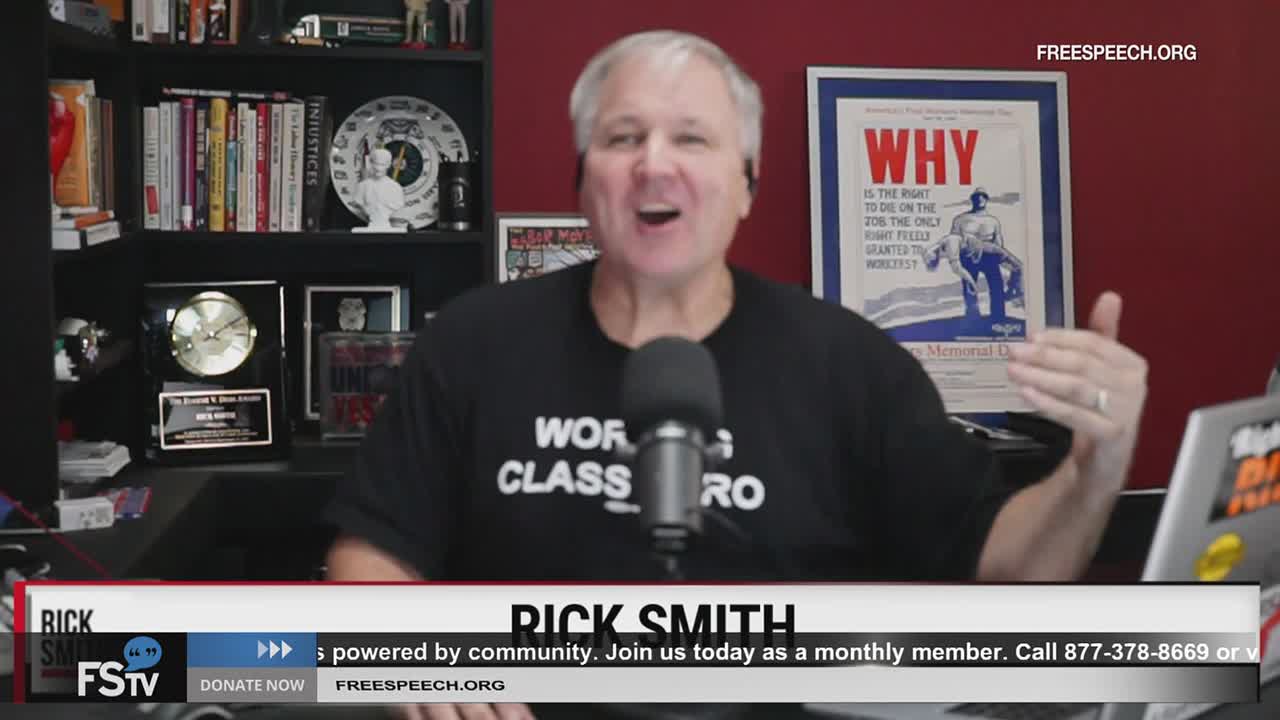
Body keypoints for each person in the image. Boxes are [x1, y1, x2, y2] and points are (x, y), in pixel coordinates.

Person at [323, 30, 1150, 720]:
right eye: (622, 138)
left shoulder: (850, 363)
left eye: (692, 138)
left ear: (746, 185)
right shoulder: (472, 342)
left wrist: (1092, 471)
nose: (654, 164)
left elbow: (1005, 575)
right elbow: (367, 559)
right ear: (583, 182)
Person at [947, 188, 1012, 319]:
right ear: (972, 199)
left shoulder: (993, 221)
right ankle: (972, 317)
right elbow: (953, 240)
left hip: (990, 257)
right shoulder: (960, 219)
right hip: (969, 257)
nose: (980, 199)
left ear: (986, 199)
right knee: (970, 287)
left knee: (996, 287)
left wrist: (1000, 257)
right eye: (977, 196)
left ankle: (998, 317)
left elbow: (998, 243)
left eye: (983, 196)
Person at [353, 147, 405, 231]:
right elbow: (358, 202)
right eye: (376, 164)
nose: (378, 168)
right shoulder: (362, 186)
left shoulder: (396, 188)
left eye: (382, 164)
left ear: (388, 165)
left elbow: (398, 204)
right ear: (371, 164)